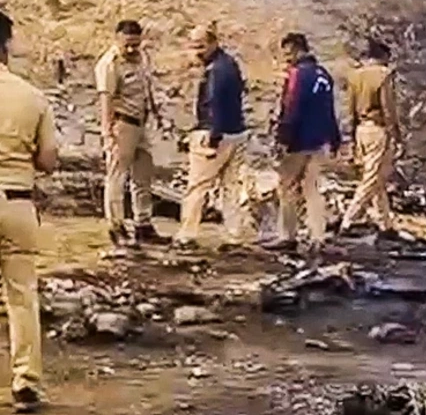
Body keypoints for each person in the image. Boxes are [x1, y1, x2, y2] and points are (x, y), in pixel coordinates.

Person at [0, 10, 58, 412]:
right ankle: (25, 382)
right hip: (18, 201)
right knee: (22, 297)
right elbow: (49, 160)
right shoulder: (32, 96)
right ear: (6, 46)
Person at [173, 22, 249, 251]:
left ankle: (187, 235)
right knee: (231, 187)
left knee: (198, 186)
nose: (197, 51)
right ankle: (234, 235)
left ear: (214, 43)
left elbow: (215, 103)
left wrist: (212, 134)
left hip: (214, 133)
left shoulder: (215, 70)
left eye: (201, 46)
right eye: (194, 46)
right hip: (237, 132)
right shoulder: (230, 64)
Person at [265, 32, 340, 253]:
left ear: (298, 49)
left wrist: (283, 139)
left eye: (288, 53)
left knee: (287, 187)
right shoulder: (324, 75)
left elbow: (291, 108)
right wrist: (335, 138)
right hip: (319, 141)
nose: (286, 58)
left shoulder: (297, 75)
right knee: (312, 189)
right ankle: (318, 236)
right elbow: (329, 110)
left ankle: (288, 235)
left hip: (298, 141)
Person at [95, 19, 165, 247]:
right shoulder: (109, 64)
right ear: (117, 39)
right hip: (122, 124)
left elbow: (147, 88)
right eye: (128, 44)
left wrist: (157, 114)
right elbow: (105, 100)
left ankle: (143, 224)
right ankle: (116, 226)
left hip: (141, 122)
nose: (132, 49)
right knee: (117, 176)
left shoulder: (141, 57)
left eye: (136, 43)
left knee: (143, 174)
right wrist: (107, 134)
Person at [340, 38, 400, 238]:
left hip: (361, 130)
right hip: (378, 129)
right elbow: (388, 108)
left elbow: (350, 109)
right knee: (372, 177)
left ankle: (385, 223)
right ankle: (350, 218)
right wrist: (396, 134)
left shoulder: (355, 76)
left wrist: (351, 136)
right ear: (384, 57)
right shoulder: (384, 75)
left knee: (378, 177)